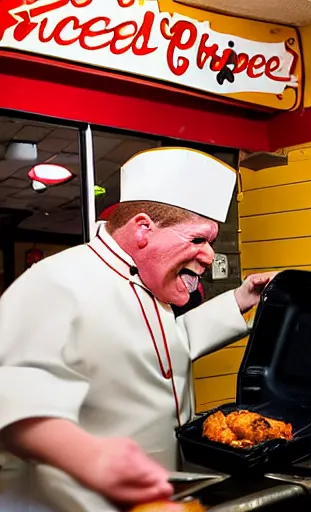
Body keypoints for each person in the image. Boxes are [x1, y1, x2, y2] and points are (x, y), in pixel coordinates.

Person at [0, 147, 275, 512]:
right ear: (143, 228)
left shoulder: (146, 284)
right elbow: (12, 394)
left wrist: (241, 299)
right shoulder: (57, 281)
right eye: (197, 240)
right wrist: (92, 458)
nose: (209, 256)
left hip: (154, 497)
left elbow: (165, 347)